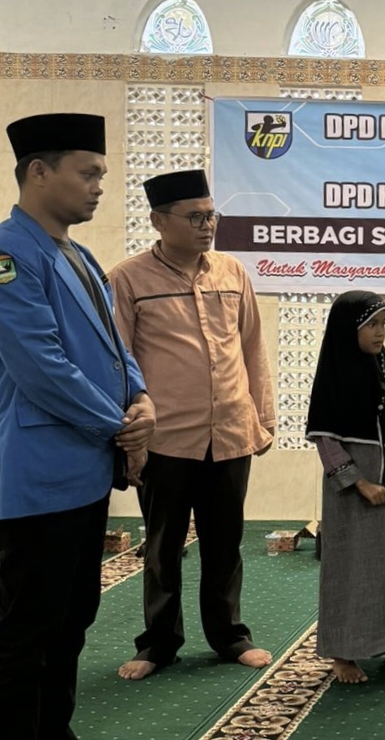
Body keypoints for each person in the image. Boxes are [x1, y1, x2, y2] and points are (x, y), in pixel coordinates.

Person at [0, 113, 155, 740]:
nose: (98, 187)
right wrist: (119, 427)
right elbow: (40, 366)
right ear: (39, 171)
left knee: (70, 620)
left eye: (101, 175)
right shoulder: (10, 253)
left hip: (84, 472)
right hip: (38, 477)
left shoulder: (79, 253)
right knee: (26, 631)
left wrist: (141, 397)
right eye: (87, 173)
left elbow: (115, 347)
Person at [108, 170, 276, 681]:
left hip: (230, 432)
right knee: (163, 548)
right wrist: (127, 438)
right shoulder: (128, 279)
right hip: (164, 439)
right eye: (196, 217)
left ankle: (230, 636)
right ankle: (158, 643)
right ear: (159, 221)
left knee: (226, 543)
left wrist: (262, 417)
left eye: (211, 216)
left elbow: (252, 346)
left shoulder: (232, 271)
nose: (208, 226)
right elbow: (117, 360)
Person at [306, 290, 385, 684]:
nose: (380, 332)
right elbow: (325, 439)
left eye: (383, 324)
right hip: (350, 492)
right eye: (371, 324)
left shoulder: (384, 368)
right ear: (348, 327)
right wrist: (360, 483)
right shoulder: (334, 373)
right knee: (348, 566)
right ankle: (343, 653)